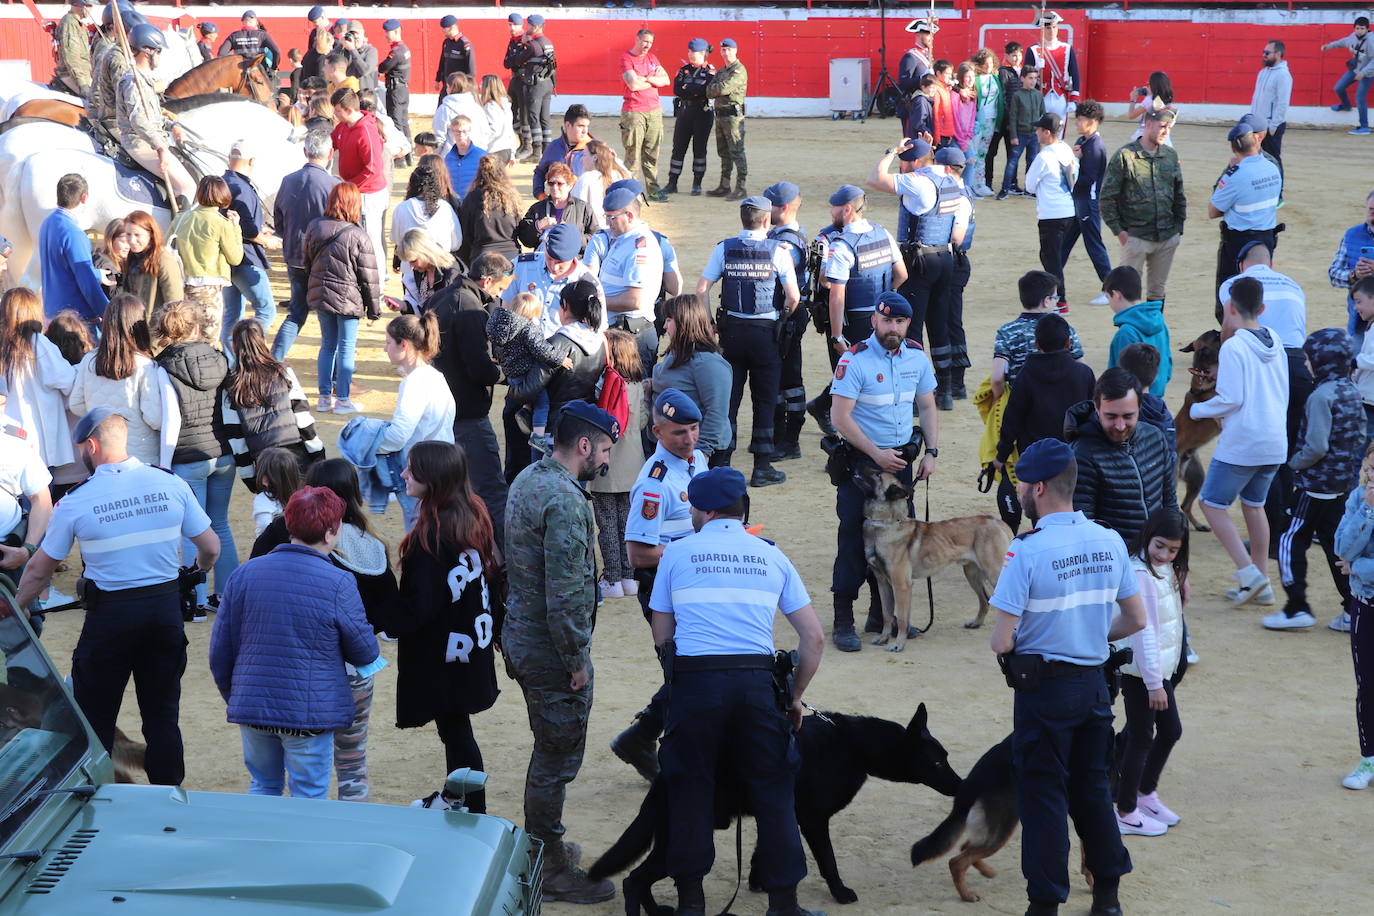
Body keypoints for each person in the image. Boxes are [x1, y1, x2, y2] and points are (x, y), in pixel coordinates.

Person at [652, 466, 826, 916]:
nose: (691, 513)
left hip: (696, 682)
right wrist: (793, 696)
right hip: (756, 684)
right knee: (774, 792)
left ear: (706, 510)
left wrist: (680, 681)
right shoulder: (771, 554)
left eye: (693, 506)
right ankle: (783, 903)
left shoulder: (676, 554)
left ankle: (691, 901)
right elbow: (813, 638)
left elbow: (661, 630)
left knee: (690, 787)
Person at [16, 409, 219, 787]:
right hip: (164, 613)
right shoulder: (170, 483)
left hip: (110, 620)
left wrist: (17, 607)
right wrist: (192, 576)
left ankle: (101, 800)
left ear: (90, 446)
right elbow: (210, 547)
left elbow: (40, 570)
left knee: (95, 717)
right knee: (162, 717)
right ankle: (170, 798)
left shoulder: (77, 500)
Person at [987, 438, 1143, 916]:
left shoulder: (1026, 549)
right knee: (1093, 790)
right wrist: (1093, 632)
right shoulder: (1108, 539)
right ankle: (1108, 897)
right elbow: (1135, 619)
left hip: (1044, 692)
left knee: (1043, 797)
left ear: (1038, 488)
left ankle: (1046, 903)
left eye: (1021, 485)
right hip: (1095, 685)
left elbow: (1001, 641)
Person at [503, 401, 621, 904]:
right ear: (585, 445)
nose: (608, 463)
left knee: (548, 749)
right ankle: (549, 866)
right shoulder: (568, 501)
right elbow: (568, 593)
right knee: (556, 753)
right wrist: (576, 661)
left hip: (523, 638)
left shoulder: (529, 478)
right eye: (607, 451)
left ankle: (545, 846)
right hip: (552, 652)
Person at [210, 486, 380, 799]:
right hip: (308, 713)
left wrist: (238, 696)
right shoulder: (338, 582)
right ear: (331, 532)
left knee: (263, 785)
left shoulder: (243, 575)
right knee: (309, 795)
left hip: (254, 706)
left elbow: (220, 652)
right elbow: (365, 652)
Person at [249, 459, 397, 803]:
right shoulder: (372, 545)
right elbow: (388, 619)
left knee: (278, 777)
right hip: (352, 672)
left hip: (293, 671)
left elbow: (253, 582)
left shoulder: (279, 534)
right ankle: (350, 838)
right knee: (352, 766)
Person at [829, 293, 939, 651]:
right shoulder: (854, 359)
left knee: (897, 542)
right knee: (852, 540)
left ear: (908, 324)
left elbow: (926, 404)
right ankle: (843, 619)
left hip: (901, 466)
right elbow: (839, 417)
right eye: (887, 321)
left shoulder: (915, 356)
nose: (893, 328)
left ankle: (883, 616)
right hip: (863, 466)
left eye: (900, 322)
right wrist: (877, 454)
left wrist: (932, 452)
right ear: (874, 320)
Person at [1190, 276, 1290, 605]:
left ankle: (1249, 573)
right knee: (1254, 505)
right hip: (1275, 439)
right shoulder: (1275, 338)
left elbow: (1231, 399)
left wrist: (1198, 410)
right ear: (1261, 308)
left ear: (1229, 307)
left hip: (1244, 440)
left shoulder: (1233, 346)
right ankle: (1260, 583)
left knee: (1211, 503)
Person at [1266, 329, 1365, 632]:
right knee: (1337, 546)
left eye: (1310, 359)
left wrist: (1293, 464)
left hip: (1315, 486)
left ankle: (1297, 607)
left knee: (1289, 539)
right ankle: (1352, 608)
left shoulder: (1320, 396)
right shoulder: (1352, 389)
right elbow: (1361, 436)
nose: (1307, 364)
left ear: (1321, 362)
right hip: (1342, 485)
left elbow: (1316, 446)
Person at [697, 196, 799, 484]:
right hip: (766, 334)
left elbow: (701, 288)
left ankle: (723, 461)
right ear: (767, 220)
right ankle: (762, 466)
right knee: (764, 400)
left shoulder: (724, 248)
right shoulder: (778, 251)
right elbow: (793, 297)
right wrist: (783, 320)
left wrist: (710, 325)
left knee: (728, 398)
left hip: (731, 332)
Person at [866, 140, 967, 409]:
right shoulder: (951, 182)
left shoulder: (918, 181)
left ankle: (912, 393)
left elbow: (874, 179)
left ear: (914, 161)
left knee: (911, 326)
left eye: (904, 161)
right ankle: (944, 390)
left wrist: (891, 153)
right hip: (945, 257)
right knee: (939, 325)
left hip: (919, 261)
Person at [153, 301, 237, 613]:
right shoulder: (220, 357)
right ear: (196, 326)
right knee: (220, 525)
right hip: (222, 452)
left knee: (192, 529)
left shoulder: (163, 365)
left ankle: (196, 600)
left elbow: (171, 419)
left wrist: (163, 464)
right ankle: (226, 596)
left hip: (187, 456)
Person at [1114, 507, 1189, 836]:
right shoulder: (1141, 573)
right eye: (1160, 545)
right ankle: (1126, 809)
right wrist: (1155, 684)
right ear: (1147, 536)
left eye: (1173, 549)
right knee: (1142, 737)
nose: (1165, 554)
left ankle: (1143, 794)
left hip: (1155, 671)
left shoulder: (1166, 569)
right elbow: (1144, 632)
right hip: (1141, 674)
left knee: (1167, 731)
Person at [428, 253, 513, 543]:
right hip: (468, 413)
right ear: (487, 281)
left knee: (451, 492)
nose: (500, 295)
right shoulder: (471, 308)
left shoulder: (440, 297)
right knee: (491, 488)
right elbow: (480, 368)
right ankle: (503, 559)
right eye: (500, 289)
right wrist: (505, 374)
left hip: (441, 411)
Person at [1065, 368, 1177, 549]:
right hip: (1114, 563)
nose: (1120, 426)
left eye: (1128, 416)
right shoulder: (1082, 454)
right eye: (1111, 416)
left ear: (1139, 408)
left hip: (1155, 558)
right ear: (1096, 408)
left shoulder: (1155, 438)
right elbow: (1084, 526)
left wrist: (1175, 555)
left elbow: (1169, 503)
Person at [304, 181, 381, 415]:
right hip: (348, 299)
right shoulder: (358, 234)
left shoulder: (314, 226)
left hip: (321, 294)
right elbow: (369, 276)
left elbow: (306, 262)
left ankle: (324, 398)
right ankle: (344, 399)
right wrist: (374, 310)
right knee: (346, 348)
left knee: (327, 346)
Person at [223, 319, 325, 491]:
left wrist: (249, 475)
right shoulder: (283, 372)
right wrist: (317, 452)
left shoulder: (231, 385)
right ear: (263, 340)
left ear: (234, 345)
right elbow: (302, 416)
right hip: (297, 456)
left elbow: (235, 436)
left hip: (265, 463)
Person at [1100, 109, 1186, 304]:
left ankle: (1154, 333)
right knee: (1128, 294)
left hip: (1166, 236)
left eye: (1169, 128)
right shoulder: (1125, 155)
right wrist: (1120, 232)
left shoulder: (1170, 155)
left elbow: (1179, 193)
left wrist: (1178, 228)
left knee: (1157, 292)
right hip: (1135, 237)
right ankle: (1131, 334)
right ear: (1147, 124)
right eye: (1162, 127)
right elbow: (1107, 198)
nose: (1166, 132)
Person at [379, 314, 456, 528]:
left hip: (424, 470)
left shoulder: (414, 382)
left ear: (403, 344)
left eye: (388, 342)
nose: (386, 349)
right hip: (442, 464)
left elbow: (398, 435)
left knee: (419, 529)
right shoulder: (434, 376)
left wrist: (369, 445)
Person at [268, 130, 339, 360]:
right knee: (328, 319)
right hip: (322, 258)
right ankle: (338, 375)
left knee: (296, 312)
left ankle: (274, 360)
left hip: (295, 255)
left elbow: (278, 217)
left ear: (305, 151)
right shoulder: (332, 184)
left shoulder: (288, 180)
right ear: (330, 153)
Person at [994, 314, 1095, 472]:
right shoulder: (1084, 373)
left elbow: (1012, 419)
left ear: (1037, 344)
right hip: (1074, 455)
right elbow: (1094, 416)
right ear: (1069, 343)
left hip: (1035, 456)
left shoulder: (1026, 374)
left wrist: (1002, 455)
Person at [69, 294, 162, 466]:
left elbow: (76, 404)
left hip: (103, 453)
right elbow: (155, 418)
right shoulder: (145, 365)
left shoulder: (89, 360)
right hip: (141, 455)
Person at [589, 330, 648, 601]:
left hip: (607, 465)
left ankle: (612, 577)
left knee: (607, 524)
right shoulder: (637, 387)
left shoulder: (606, 384)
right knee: (627, 524)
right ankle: (629, 575)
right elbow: (644, 421)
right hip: (634, 465)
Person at [509, 278, 607, 427]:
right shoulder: (602, 341)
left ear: (565, 305)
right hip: (587, 420)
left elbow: (528, 390)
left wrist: (511, 384)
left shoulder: (557, 344)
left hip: (554, 426)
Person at [0, 288, 77, 473]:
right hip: (37, 444)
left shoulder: (4, 346)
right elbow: (68, 382)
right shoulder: (38, 344)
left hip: (7, 441)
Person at [117, 24, 197, 203]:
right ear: (147, 51)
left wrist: (172, 125)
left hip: (150, 139)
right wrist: (160, 147)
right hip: (139, 143)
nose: (160, 57)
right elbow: (138, 120)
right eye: (159, 52)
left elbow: (151, 114)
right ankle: (178, 231)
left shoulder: (145, 79)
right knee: (187, 187)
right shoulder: (133, 81)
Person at [652, 294, 733, 463]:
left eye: (669, 320)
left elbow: (717, 412)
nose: (665, 326)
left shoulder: (708, 364)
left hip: (699, 453)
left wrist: (701, 453)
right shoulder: (677, 353)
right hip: (674, 447)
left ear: (684, 323)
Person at [763, 182, 811, 462]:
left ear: (782, 208)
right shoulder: (786, 235)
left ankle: (790, 439)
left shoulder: (787, 242)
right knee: (780, 378)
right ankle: (780, 435)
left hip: (788, 316)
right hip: (786, 314)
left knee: (790, 379)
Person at [221, 139, 282, 356]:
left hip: (226, 260)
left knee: (231, 314)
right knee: (266, 311)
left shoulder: (224, 181)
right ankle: (246, 351)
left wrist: (260, 229)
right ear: (252, 161)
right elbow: (247, 228)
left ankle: (231, 363)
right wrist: (266, 240)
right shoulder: (242, 187)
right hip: (246, 259)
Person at [1335, 443, 1374, 785]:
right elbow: (1341, 548)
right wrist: (1368, 511)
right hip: (1365, 605)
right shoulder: (1358, 498)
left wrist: (1358, 566)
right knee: (1367, 686)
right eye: (1370, 470)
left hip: (1364, 588)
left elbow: (1352, 559)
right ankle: (1369, 759)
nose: (1371, 479)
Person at [1209, 121, 1282, 295]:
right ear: (1256, 142)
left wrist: (1228, 169)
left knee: (1231, 292)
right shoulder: (1273, 168)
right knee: (1261, 291)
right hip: (1266, 238)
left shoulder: (1235, 175)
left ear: (1234, 149)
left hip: (1239, 242)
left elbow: (1213, 211)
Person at [596, 187, 664, 371]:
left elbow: (635, 300)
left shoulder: (639, 248)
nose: (608, 223)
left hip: (632, 336)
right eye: (606, 217)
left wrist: (597, 302)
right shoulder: (624, 239)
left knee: (634, 396)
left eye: (612, 217)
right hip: (623, 332)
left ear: (630, 216)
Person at [173, 176, 243, 347]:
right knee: (208, 339)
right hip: (209, 288)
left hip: (181, 284)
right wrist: (236, 227)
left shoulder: (181, 218)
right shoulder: (222, 224)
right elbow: (235, 258)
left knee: (184, 336)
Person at [503, 224, 604, 335]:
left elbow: (597, 330)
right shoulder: (522, 266)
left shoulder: (588, 283)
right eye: (550, 258)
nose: (554, 266)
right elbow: (506, 310)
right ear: (545, 247)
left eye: (560, 262)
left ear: (573, 256)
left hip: (560, 348)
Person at [38, 174, 109, 325]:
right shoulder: (74, 234)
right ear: (84, 198)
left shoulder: (47, 223)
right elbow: (87, 283)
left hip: (51, 314)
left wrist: (97, 274)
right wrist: (109, 313)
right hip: (76, 321)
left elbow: (60, 268)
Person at [1024, 114, 1078, 303]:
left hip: (1052, 214)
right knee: (1053, 257)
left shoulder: (1044, 156)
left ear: (1047, 132)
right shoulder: (1066, 149)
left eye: (1038, 129)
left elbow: (1029, 185)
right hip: (1069, 210)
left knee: (1051, 259)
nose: (1036, 132)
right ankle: (1054, 295)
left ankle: (1060, 300)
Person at [330, 89, 388, 265]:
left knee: (369, 241)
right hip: (356, 190)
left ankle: (377, 285)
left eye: (337, 110)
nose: (334, 114)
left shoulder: (366, 132)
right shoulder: (343, 126)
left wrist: (348, 186)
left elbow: (372, 169)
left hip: (368, 195)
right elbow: (330, 143)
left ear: (348, 110)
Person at [1062, 99, 1112, 299]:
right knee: (1063, 244)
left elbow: (1088, 178)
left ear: (1092, 121)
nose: (1076, 124)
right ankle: (1051, 281)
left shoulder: (1094, 146)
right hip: (1079, 201)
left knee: (1094, 245)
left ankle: (1110, 289)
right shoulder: (1084, 142)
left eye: (1080, 120)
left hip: (1088, 203)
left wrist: (1070, 181)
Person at [618, 29, 669, 203]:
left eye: (650, 43)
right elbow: (633, 85)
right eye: (645, 41)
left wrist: (645, 78)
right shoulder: (626, 58)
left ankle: (653, 190)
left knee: (652, 153)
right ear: (637, 39)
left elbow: (666, 80)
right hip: (634, 112)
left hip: (654, 111)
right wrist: (653, 78)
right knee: (632, 154)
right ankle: (630, 192)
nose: (647, 45)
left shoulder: (652, 58)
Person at [1103, 266, 1170, 396]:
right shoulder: (1159, 321)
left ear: (1116, 295)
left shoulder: (1126, 333)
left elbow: (1121, 377)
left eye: (1108, 297)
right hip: (1156, 398)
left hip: (1131, 402)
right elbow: (1168, 366)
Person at [666, 39, 715, 196]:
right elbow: (677, 89)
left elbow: (705, 90)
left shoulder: (710, 71)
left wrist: (689, 88)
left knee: (699, 149)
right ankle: (672, 183)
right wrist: (693, 89)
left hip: (702, 113)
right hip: (685, 112)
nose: (689, 55)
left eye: (692, 52)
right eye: (688, 52)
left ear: (702, 53)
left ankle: (697, 184)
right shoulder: (683, 70)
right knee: (678, 148)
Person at [118, 210, 183, 325]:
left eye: (137, 235)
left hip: (157, 333)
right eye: (128, 234)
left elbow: (174, 303)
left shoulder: (164, 259)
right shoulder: (132, 257)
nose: (132, 241)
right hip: (135, 329)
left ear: (151, 234)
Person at [705, 39, 749, 201]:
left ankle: (741, 187)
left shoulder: (739, 70)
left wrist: (716, 88)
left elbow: (723, 88)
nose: (726, 53)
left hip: (733, 118)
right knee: (724, 152)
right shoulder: (723, 71)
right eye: (723, 50)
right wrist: (716, 88)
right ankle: (724, 185)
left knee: (737, 151)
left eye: (729, 49)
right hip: (721, 115)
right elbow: (709, 92)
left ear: (736, 50)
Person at [458, 156, 522, 265]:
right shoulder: (512, 198)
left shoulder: (473, 198)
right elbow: (519, 228)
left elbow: (465, 234)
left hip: (483, 259)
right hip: (511, 257)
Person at [518, 162, 597, 251]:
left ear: (570, 185)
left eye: (559, 183)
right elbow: (524, 239)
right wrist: (538, 226)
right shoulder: (537, 208)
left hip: (575, 260)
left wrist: (572, 238)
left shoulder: (583, 208)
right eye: (551, 183)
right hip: (544, 261)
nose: (555, 187)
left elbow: (595, 238)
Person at [510, 15, 556, 166]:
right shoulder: (548, 42)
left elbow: (517, 60)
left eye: (529, 25)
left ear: (535, 27)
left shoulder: (532, 44)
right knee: (544, 119)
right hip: (548, 83)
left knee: (533, 117)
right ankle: (548, 151)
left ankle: (537, 152)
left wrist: (524, 43)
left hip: (535, 85)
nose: (526, 27)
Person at [1025, 10, 1081, 133]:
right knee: (1040, 131)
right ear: (1042, 30)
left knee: (1059, 130)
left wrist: (1074, 99)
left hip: (1060, 95)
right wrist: (1037, 68)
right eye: (1048, 28)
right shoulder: (1033, 50)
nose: (1051, 31)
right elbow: (1025, 76)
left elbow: (1074, 73)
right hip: (1040, 96)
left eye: (1054, 27)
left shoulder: (1066, 48)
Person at [1329, 190, 1374, 337]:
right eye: (1370, 209)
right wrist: (1355, 275)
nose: (1372, 213)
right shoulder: (1352, 235)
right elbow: (1334, 274)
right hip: (1359, 320)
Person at [998, 67, 1044, 199]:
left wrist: (1040, 134)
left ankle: (1029, 189)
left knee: (1032, 162)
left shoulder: (1038, 95)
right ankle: (1005, 189)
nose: (1033, 81)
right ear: (1022, 78)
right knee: (1012, 162)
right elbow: (1013, 117)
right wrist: (1013, 136)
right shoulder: (1017, 95)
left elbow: (1042, 114)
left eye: (1035, 78)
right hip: (1020, 134)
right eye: (1030, 78)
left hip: (1034, 135)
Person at [1324, 16, 1374, 135]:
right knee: (1339, 88)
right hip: (1355, 69)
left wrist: (1363, 73)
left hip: (1368, 73)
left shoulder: (1371, 41)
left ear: (1367, 29)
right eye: (1357, 28)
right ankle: (1346, 106)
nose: (1359, 31)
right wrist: (1328, 46)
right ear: (1354, 28)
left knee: (1360, 99)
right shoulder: (1353, 37)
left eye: (1362, 28)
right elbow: (1342, 42)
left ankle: (1364, 127)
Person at [394, 231, 463, 315]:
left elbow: (450, 311)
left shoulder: (451, 272)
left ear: (426, 253)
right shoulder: (420, 270)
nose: (411, 267)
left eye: (413, 261)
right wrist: (403, 306)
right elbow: (423, 307)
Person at [533, 104, 594, 199]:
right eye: (581, 126)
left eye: (587, 126)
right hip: (557, 205)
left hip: (584, 206)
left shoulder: (594, 149)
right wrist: (539, 194)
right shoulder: (553, 147)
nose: (585, 131)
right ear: (568, 125)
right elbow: (540, 172)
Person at [1252, 39, 1292, 178]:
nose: (1264, 55)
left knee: (1273, 159)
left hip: (1271, 126)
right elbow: (1256, 98)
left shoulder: (1283, 75)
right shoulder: (1263, 72)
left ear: (1278, 54)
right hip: (1258, 124)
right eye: (1264, 52)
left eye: (1267, 52)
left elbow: (1283, 103)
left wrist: (1273, 126)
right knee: (1257, 158)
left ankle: (1278, 192)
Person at [571, 140, 632, 230]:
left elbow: (576, 210)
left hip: (595, 231)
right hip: (620, 228)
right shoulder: (620, 174)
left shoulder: (587, 179)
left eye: (584, 155)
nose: (581, 159)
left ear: (594, 157)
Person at [968, 49, 1002, 197]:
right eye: (985, 63)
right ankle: (970, 185)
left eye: (990, 63)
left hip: (991, 118)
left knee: (983, 153)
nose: (988, 66)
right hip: (976, 120)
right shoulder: (974, 79)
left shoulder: (995, 78)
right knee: (973, 152)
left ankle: (980, 183)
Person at [249, 447, 301, 537]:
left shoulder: (263, 499)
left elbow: (264, 525)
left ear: (265, 479)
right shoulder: (304, 496)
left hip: (272, 547)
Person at [377, 19, 412, 154]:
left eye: (388, 32)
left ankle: (402, 156)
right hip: (403, 89)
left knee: (396, 122)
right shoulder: (405, 48)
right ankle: (408, 154)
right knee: (403, 121)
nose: (386, 35)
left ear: (396, 31)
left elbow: (383, 67)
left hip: (395, 90)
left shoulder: (396, 52)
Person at [433, 73, 490, 153]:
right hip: (474, 153)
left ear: (450, 88)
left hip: (451, 157)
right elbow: (485, 132)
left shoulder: (444, 109)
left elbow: (439, 136)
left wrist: (437, 154)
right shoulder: (477, 108)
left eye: (448, 86)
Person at [898, 18, 937, 133]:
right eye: (928, 34)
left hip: (926, 103)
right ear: (919, 35)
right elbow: (903, 82)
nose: (931, 38)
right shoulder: (911, 56)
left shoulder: (927, 56)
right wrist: (922, 79)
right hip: (912, 106)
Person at [218, 9, 280, 77]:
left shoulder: (234, 36)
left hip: (239, 73)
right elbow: (276, 51)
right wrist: (274, 67)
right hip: (259, 72)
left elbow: (221, 54)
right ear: (256, 22)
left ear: (243, 22)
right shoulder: (262, 35)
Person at [52, 0, 94, 98]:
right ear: (77, 4)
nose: (91, 9)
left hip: (82, 75)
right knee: (98, 105)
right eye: (88, 5)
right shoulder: (70, 23)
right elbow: (72, 55)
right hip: (72, 77)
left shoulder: (76, 23)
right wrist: (82, 84)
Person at [1126, 71, 1177, 145]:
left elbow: (1131, 115)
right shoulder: (1168, 99)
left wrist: (1133, 99)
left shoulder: (1149, 100)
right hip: (1164, 138)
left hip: (1146, 137)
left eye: (1149, 84)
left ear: (1152, 86)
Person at [444, 115, 487, 200]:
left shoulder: (482, 156)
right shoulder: (448, 158)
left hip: (475, 204)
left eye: (464, 131)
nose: (461, 135)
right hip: (454, 205)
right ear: (452, 132)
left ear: (470, 131)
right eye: (457, 131)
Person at [480, 74, 519, 166]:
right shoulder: (505, 105)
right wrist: (512, 153)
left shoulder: (490, 107)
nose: (480, 86)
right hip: (506, 150)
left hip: (494, 149)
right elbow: (509, 130)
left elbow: (494, 130)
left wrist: (480, 144)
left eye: (482, 84)